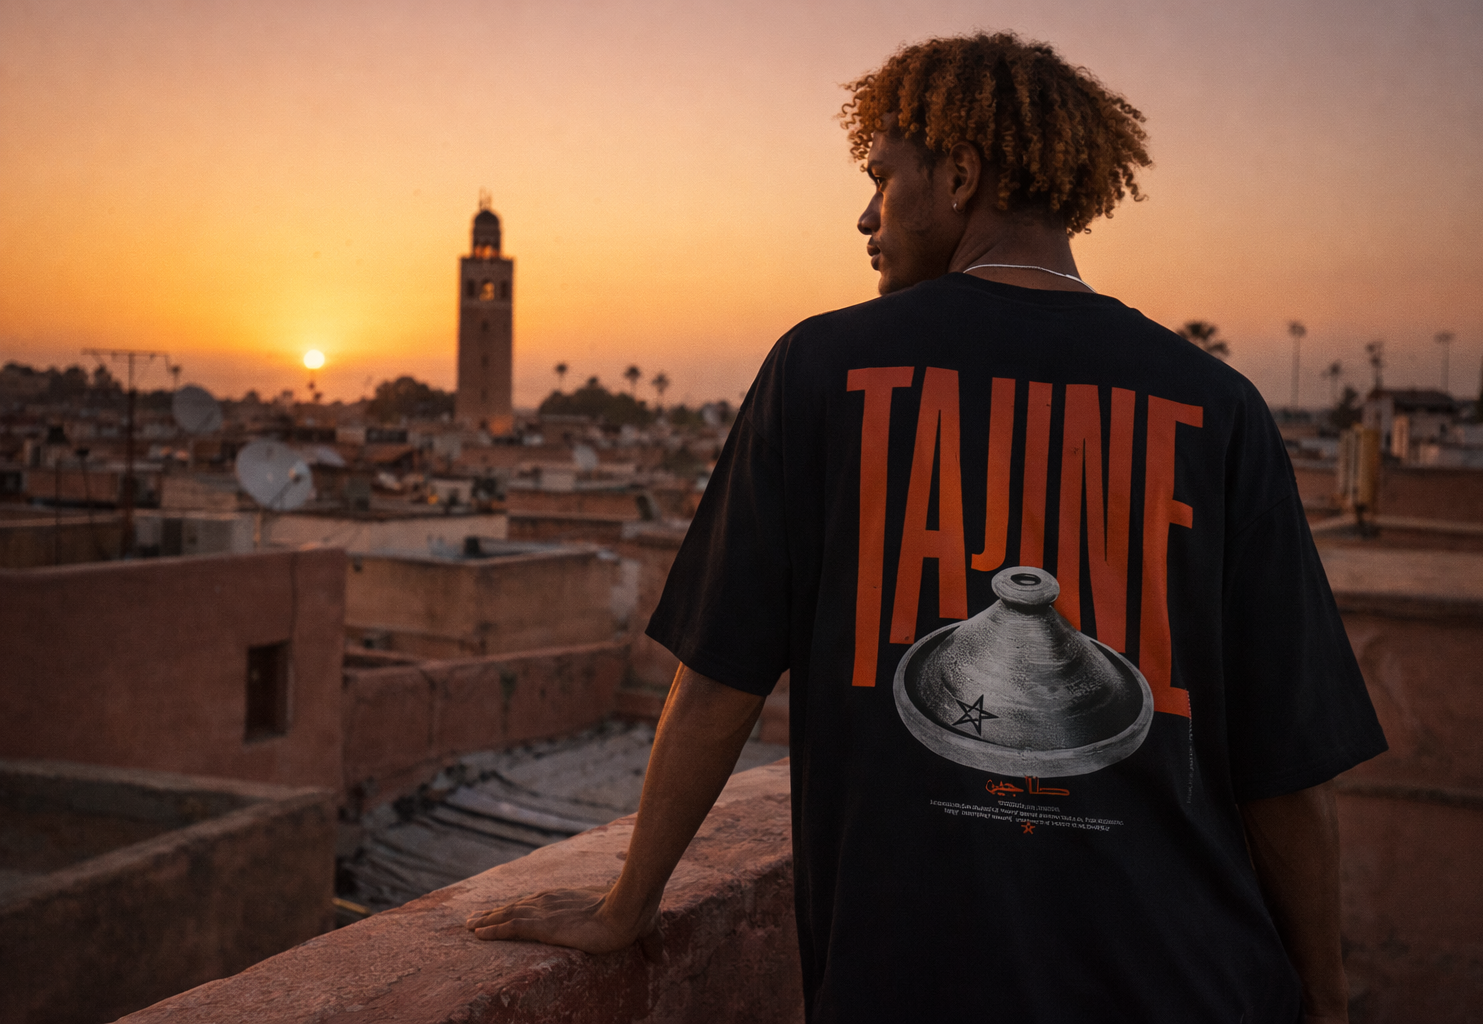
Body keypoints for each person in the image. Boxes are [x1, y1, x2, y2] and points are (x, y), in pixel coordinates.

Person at [467, 32, 1386, 1024]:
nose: (865, 215)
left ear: (960, 174)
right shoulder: (1220, 406)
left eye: (882, 178)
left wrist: (625, 904)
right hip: (1195, 985)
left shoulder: (821, 371)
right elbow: (1285, 773)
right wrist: (1326, 1002)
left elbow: (717, 681)